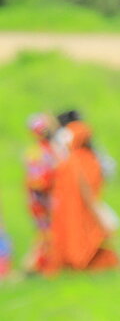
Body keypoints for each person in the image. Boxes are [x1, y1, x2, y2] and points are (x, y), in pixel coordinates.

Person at [39, 119, 120, 274]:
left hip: (74, 208)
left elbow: (81, 189)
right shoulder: (92, 160)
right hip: (82, 206)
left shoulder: (73, 161)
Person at [23, 113, 57, 265]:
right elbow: (35, 181)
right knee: (45, 233)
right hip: (42, 200)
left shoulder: (49, 150)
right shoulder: (37, 152)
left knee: (48, 232)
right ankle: (34, 264)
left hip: (46, 198)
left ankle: (42, 262)